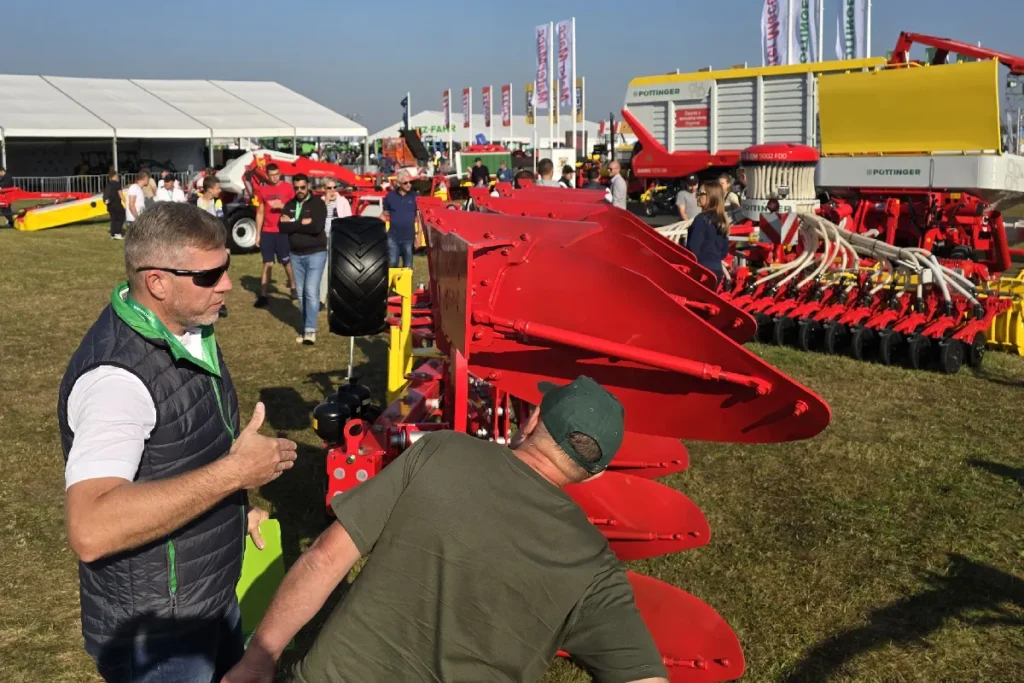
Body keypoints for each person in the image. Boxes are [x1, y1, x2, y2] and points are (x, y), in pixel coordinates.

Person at [222, 376, 670, 683]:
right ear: (593, 474)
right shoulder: (595, 568)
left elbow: (325, 557)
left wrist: (260, 658)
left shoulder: (440, 451)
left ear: (532, 421)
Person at [57, 201, 298, 683]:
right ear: (157, 282)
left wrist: (233, 508)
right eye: (208, 276)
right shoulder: (116, 380)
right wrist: (236, 474)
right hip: (160, 637)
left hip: (208, 598)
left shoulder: (187, 329)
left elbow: (181, 453)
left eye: (226, 267)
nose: (227, 284)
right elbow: (91, 529)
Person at [278, 174, 328, 345]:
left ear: (308, 187)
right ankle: (307, 326)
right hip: (295, 255)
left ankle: (310, 330)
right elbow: (281, 227)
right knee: (300, 293)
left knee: (310, 291)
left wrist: (292, 223)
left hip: (316, 253)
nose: (299, 191)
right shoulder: (290, 204)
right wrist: (301, 222)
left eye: (302, 187)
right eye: (296, 187)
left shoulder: (318, 204)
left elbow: (316, 227)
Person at [254, 164, 296, 308]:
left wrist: (282, 206)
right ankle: (263, 295)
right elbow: (259, 212)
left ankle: (293, 288)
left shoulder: (288, 188)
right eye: (272, 175)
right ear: (267, 175)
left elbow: (296, 209)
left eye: (277, 174)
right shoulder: (262, 190)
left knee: (286, 262)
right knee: (267, 263)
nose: (275, 177)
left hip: (283, 232)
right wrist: (258, 235)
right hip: (267, 232)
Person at [685, 181, 731, 284]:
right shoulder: (722, 221)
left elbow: (693, 249)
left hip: (701, 271)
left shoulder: (701, 219)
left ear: (710, 197)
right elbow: (724, 252)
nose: (697, 196)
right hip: (717, 271)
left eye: (700, 193)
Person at [197, 176, 228, 318]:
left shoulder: (218, 202)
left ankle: (222, 304)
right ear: (209, 189)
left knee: (220, 272)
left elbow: (221, 222)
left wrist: (225, 245)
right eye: (217, 188)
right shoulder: (197, 202)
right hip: (202, 243)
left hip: (216, 242)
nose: (219, 190)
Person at [319, 179, 352, 307]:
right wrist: (326, 203)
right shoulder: (320, 202)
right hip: (324, 239)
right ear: (323, 189)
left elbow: (348, 219)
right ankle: (322, 299)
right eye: (329, 188)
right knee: (324, 270)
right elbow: (317, 220)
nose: (332, 191)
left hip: (339, 239)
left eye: (334, 187)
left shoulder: (342, 201)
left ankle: (337, 298)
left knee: (339, 269)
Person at [381, 169, 418, 268]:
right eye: (405, 183)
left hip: (409, 238)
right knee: (392, 262)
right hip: (393, 237)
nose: (409, 185)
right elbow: (385, 214)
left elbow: (419, 216)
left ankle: (405, 284)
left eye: (410, 182)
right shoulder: (390, 196)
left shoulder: (415, 197)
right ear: (399, 184)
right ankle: (390, 283)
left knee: (408, 266)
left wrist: (419, 237)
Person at [103, 171, 126, 240]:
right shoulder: (117, 184)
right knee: (121, 217)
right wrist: (126, 201)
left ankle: (112, 234)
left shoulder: (108, 184)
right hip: (116, 204)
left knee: (113, 219)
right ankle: (118, 233)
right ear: (115, 176)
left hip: (110, 204)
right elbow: (120, 194)